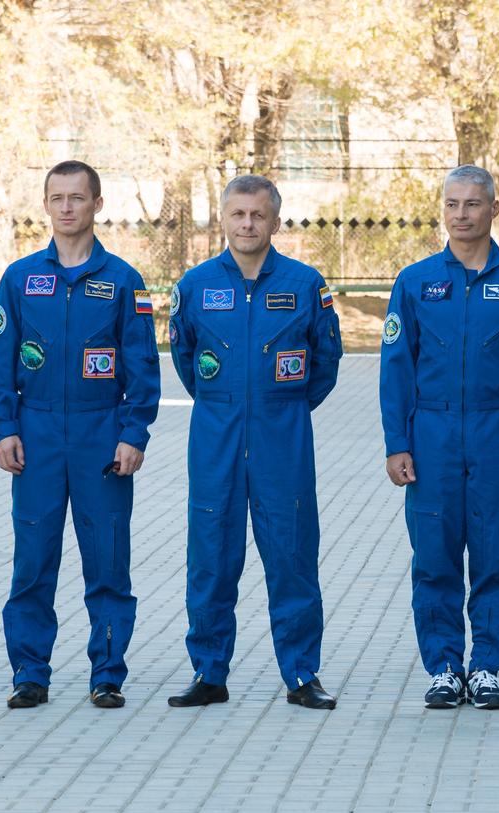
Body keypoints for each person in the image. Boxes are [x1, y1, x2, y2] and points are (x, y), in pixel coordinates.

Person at [380, 165, 499, 711]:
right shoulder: (415, 282)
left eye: (473, 204)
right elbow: (395, 371)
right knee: (433, 555)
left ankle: (485, 666)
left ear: (493, 210)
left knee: (497, 555)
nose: (461, 214)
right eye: (453, 204)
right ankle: (442, 666)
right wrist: (397, 443)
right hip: (431, 434)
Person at [0, 160, 160, 710]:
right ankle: (30, 673)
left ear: (97, 205)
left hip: (100, 435)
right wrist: (4, 428)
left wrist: (134, 434)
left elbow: (144, 369)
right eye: (56, 197)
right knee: (33, 560)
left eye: (77, 198)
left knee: (107, 561)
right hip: (35, 435)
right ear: (45, 205)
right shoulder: (19, 280)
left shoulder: (124, 282)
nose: (66, 207)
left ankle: (107, 672)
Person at [167, 175, 343, 710]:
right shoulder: (195, 286)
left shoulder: (306, 285)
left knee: (291, 557)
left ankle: (301, 674)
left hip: (282, 439)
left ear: (275, 221)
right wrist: (227, 404)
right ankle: (210, 673)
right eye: (238, 214)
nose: (247, 224)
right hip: (215, 438)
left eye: (257, 216)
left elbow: (325, 362)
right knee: (211, 558)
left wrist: (280, 407)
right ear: (223, 218)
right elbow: (185, 360)